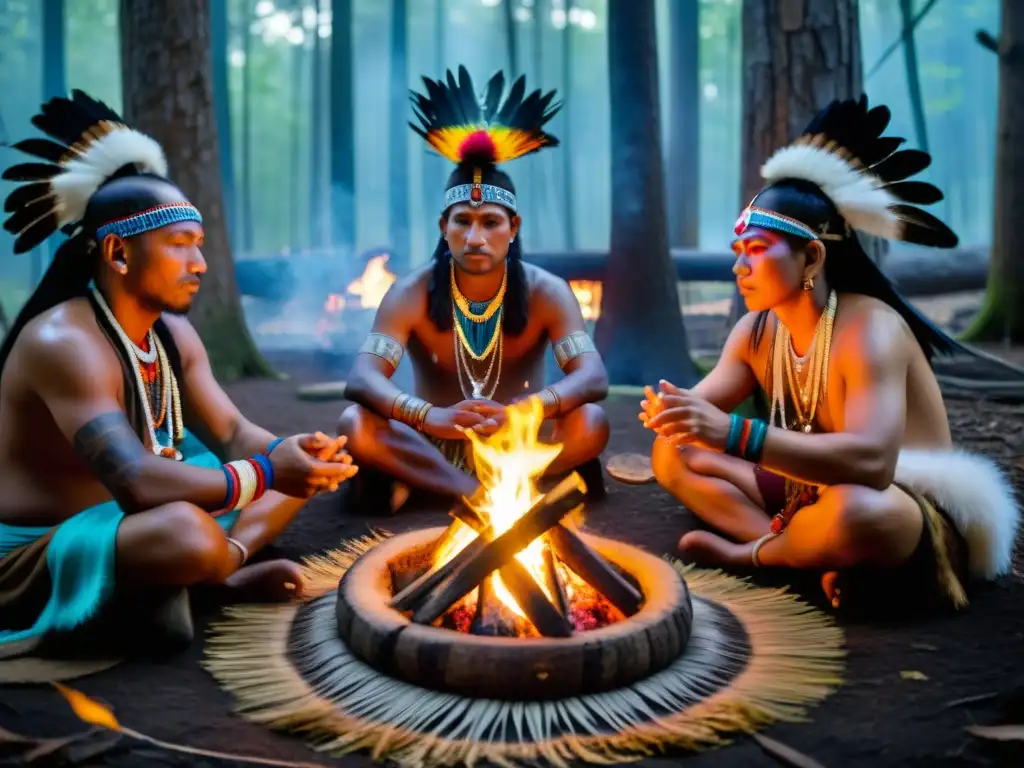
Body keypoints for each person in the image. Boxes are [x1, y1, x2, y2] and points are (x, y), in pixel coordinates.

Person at [0, 91, 357, 658]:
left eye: (200, 246)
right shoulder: (64, 342)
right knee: (189, 530)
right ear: (118, 253)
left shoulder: (171, 332)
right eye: (180, 246)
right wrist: (266, 472)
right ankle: (211, 571)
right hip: (46, 544)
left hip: (136, 513)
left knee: (283, 477)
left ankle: (220, 566)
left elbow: (235, 433)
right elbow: (138, 480)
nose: (201, 265)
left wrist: (300, 455)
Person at [642, 95, 1019, 613]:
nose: (740, 268)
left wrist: (732, 432)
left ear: (812, 255)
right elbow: (697, 419)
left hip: (902, 504)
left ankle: (753, 553)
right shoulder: (754, 332)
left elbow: (872, 462)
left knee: (855, 513)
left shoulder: (872, 329)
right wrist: (674, 412)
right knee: (673, 453)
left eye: (756, 251)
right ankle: (795, 551)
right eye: (738, 254)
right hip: (806, 492)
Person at [339, 67, 609, 511]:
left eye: (490, 222)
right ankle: (478, 496)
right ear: (444, 227)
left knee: (591, 422)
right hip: (434, 440)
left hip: (518, 441)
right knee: (357, 423)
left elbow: (592, 376)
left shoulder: (548, 292)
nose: (475, 237)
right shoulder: (410, 293)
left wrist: (524, 413)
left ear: (513, 227)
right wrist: (433, 417)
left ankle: (459, 486)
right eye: (462, 221)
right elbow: (362, 378)